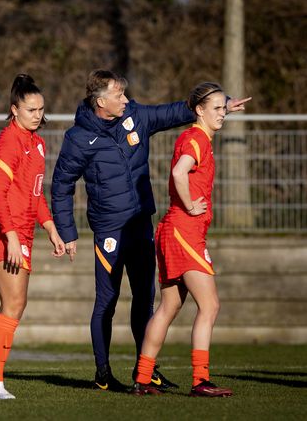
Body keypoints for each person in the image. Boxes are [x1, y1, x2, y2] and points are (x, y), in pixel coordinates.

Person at [51, 69, 250, 391]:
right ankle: (103, 372)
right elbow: (61, 185)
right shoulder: (78, 138)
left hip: (141, 222)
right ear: (101, 101)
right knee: (107, 300)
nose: (126, 100)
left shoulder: (135, 116)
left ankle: (146, 373)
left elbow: (174, 111)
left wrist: (221, 104)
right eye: (119, 95)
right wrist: (67, 232)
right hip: (109, 229)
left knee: (146, 299)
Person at [132, 83, 236, 397]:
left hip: (173, 230)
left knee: (168, 307)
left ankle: (143, 377)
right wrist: (190, 204)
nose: (222, 113)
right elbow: (179, 172)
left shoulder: (198, 135)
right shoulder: (196, 139)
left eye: (224, 107)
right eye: (216, 108)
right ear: (198, 110)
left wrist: (229, 105)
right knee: (211, 305)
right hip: (183, 230)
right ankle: (201, 381)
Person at [0, 75, 66, 400]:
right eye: (30, 109)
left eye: (41, 109)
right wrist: (10, 237)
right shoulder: (9, 141)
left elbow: (36, 194)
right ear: (15, 110)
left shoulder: (38, 143)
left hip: (23, 233)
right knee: (12, 303)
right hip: (3, 233)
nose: (37, 115)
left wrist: (51, 228)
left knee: (16, 304)